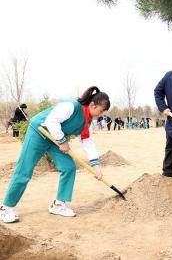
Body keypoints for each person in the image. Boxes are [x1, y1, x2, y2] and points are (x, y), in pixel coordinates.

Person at [0, 86, 110, 223]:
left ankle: (58, 204)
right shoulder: (71, 106)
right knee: (24, 170)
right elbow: (51, 121)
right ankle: (6, 208)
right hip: (39, 132)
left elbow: (87, 142)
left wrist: (96, 166)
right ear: (92, 105)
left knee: (68, 166)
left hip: (55, 139)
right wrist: (63, 142)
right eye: (100, 111)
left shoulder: (87, 122)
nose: (100, 115)